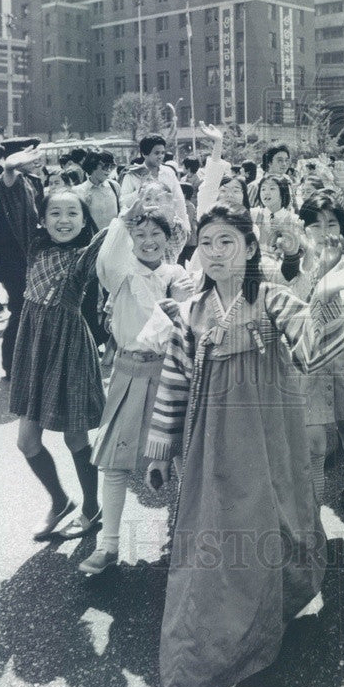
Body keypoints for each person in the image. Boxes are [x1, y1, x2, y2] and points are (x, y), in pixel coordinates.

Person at [144, 204, 344, 687]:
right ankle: (211, 662)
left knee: (277, 521)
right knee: (217, 545)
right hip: (210, 448)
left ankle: (278, 602)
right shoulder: (188, 311)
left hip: (270, 442)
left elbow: (313, 353)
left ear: (247, 249)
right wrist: (158, 447)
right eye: (207, 243)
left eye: (227, 242)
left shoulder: (272, 299)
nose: (216, 252)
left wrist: (326, 293)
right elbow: (174, 380)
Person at [78, 200, 194, 575]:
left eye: (155, 234)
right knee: (115, 463)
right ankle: (108, 544)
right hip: (128, 370)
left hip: (171, 373)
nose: (147, 241)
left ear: (169, 237)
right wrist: (125, 216)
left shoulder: (179, 275)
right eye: (139, 234)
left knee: (182, 457)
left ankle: (185, 534)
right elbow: (110, 251)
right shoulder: (119, 273)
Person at [9, 189, 109, 541]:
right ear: (42, 219)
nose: (63, 220)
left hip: (70, 349)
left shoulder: (84, 257)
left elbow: (103, 242)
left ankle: (92, 506)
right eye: (55, 213)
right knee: (27, 441)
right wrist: (10, 176)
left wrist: (127, 218)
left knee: (75, 434)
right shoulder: (36, 249)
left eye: (72, 214)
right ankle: (60, 501)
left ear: (84, 221)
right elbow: (15, 209)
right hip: (34, 347)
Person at [272, 192, 344, 509]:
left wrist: (330, 278)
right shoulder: (292, 267)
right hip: (306, 359)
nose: (324, 232)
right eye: (315, 224)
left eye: (332, 223)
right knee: (308, 427)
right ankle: (313, 498)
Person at [0, 140, 44, 379]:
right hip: (7, 259)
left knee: (28, 309)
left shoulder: (34, 182)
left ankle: (25, 361)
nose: (37, 161)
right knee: (20, 307)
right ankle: (12, 364)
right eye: (32, 156)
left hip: (30, 256)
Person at [120, 134, 188, 227]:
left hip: (167, 225)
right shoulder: (132, 174)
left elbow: (179, 200)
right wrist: (142, 189)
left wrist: (185, 225)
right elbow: (123, 202)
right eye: (156, 153)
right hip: (141, 227)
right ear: (144, 154)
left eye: (162, 153)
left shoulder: (169, 172)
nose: (160, 156)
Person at [73, 152, 121, 231]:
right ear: (93, 166)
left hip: (114, 238)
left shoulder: (114, 186)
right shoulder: (78, 191)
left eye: (112, 167)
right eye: (105, 166)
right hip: (91, 240)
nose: (109, 170)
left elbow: (123, 208)